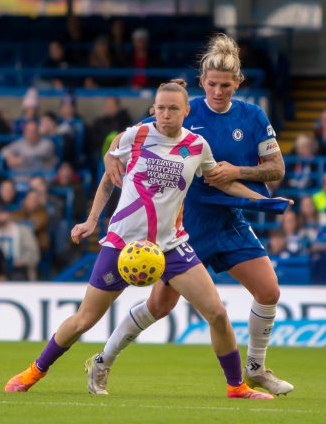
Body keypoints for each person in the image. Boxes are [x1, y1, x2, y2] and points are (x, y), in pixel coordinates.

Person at [4, 79, 282, 400]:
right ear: (153, 109)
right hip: (123, 244)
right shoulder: (135, 136)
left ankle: (237, 387)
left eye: (173, 108)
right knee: (84, 320)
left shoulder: (197, 145)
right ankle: (35, 371)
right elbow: (109, 179)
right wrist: (91, 220)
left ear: (186, 111)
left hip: (170, 245)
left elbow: (220, 182)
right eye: (160, 108)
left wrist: (260, 200)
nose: (165, 114)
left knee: (217, 313)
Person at [89, 35, 292, 396]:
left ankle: (256, 368)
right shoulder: (184, 110)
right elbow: (131, 137)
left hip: (229, 220)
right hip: (185, 225)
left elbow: (276, 168)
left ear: (238, 83)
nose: (218, 91)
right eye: (212, 84)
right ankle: (104, 359)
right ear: (202, 81)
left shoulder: (253, 117)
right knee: (159, 306)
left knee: (268, 290)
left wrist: (238, 172)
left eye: (225, 85)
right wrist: (110, 154)